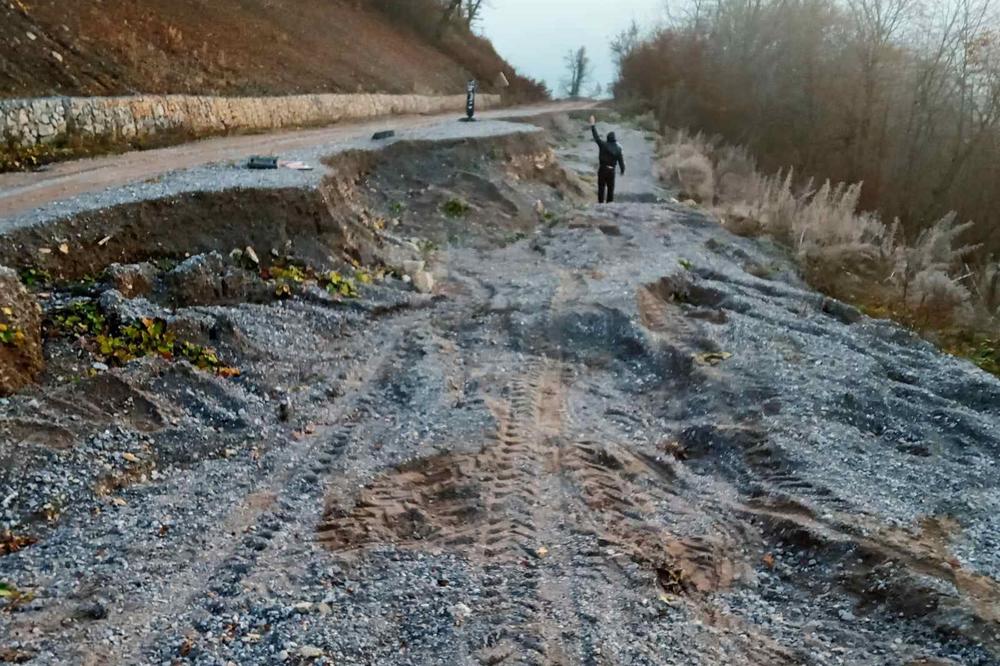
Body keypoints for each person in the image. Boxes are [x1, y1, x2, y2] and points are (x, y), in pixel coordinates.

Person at [589, 115, 625, 203]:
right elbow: (621, 162)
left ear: (608, 139)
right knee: (610, 190)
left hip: (602, 169)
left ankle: (600, 204)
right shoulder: (618, 149)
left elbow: (596, 137)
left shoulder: (603, 145)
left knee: (601, 188)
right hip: (611, 171)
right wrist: (622, 171)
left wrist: (592, 125)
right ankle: (609, 205)